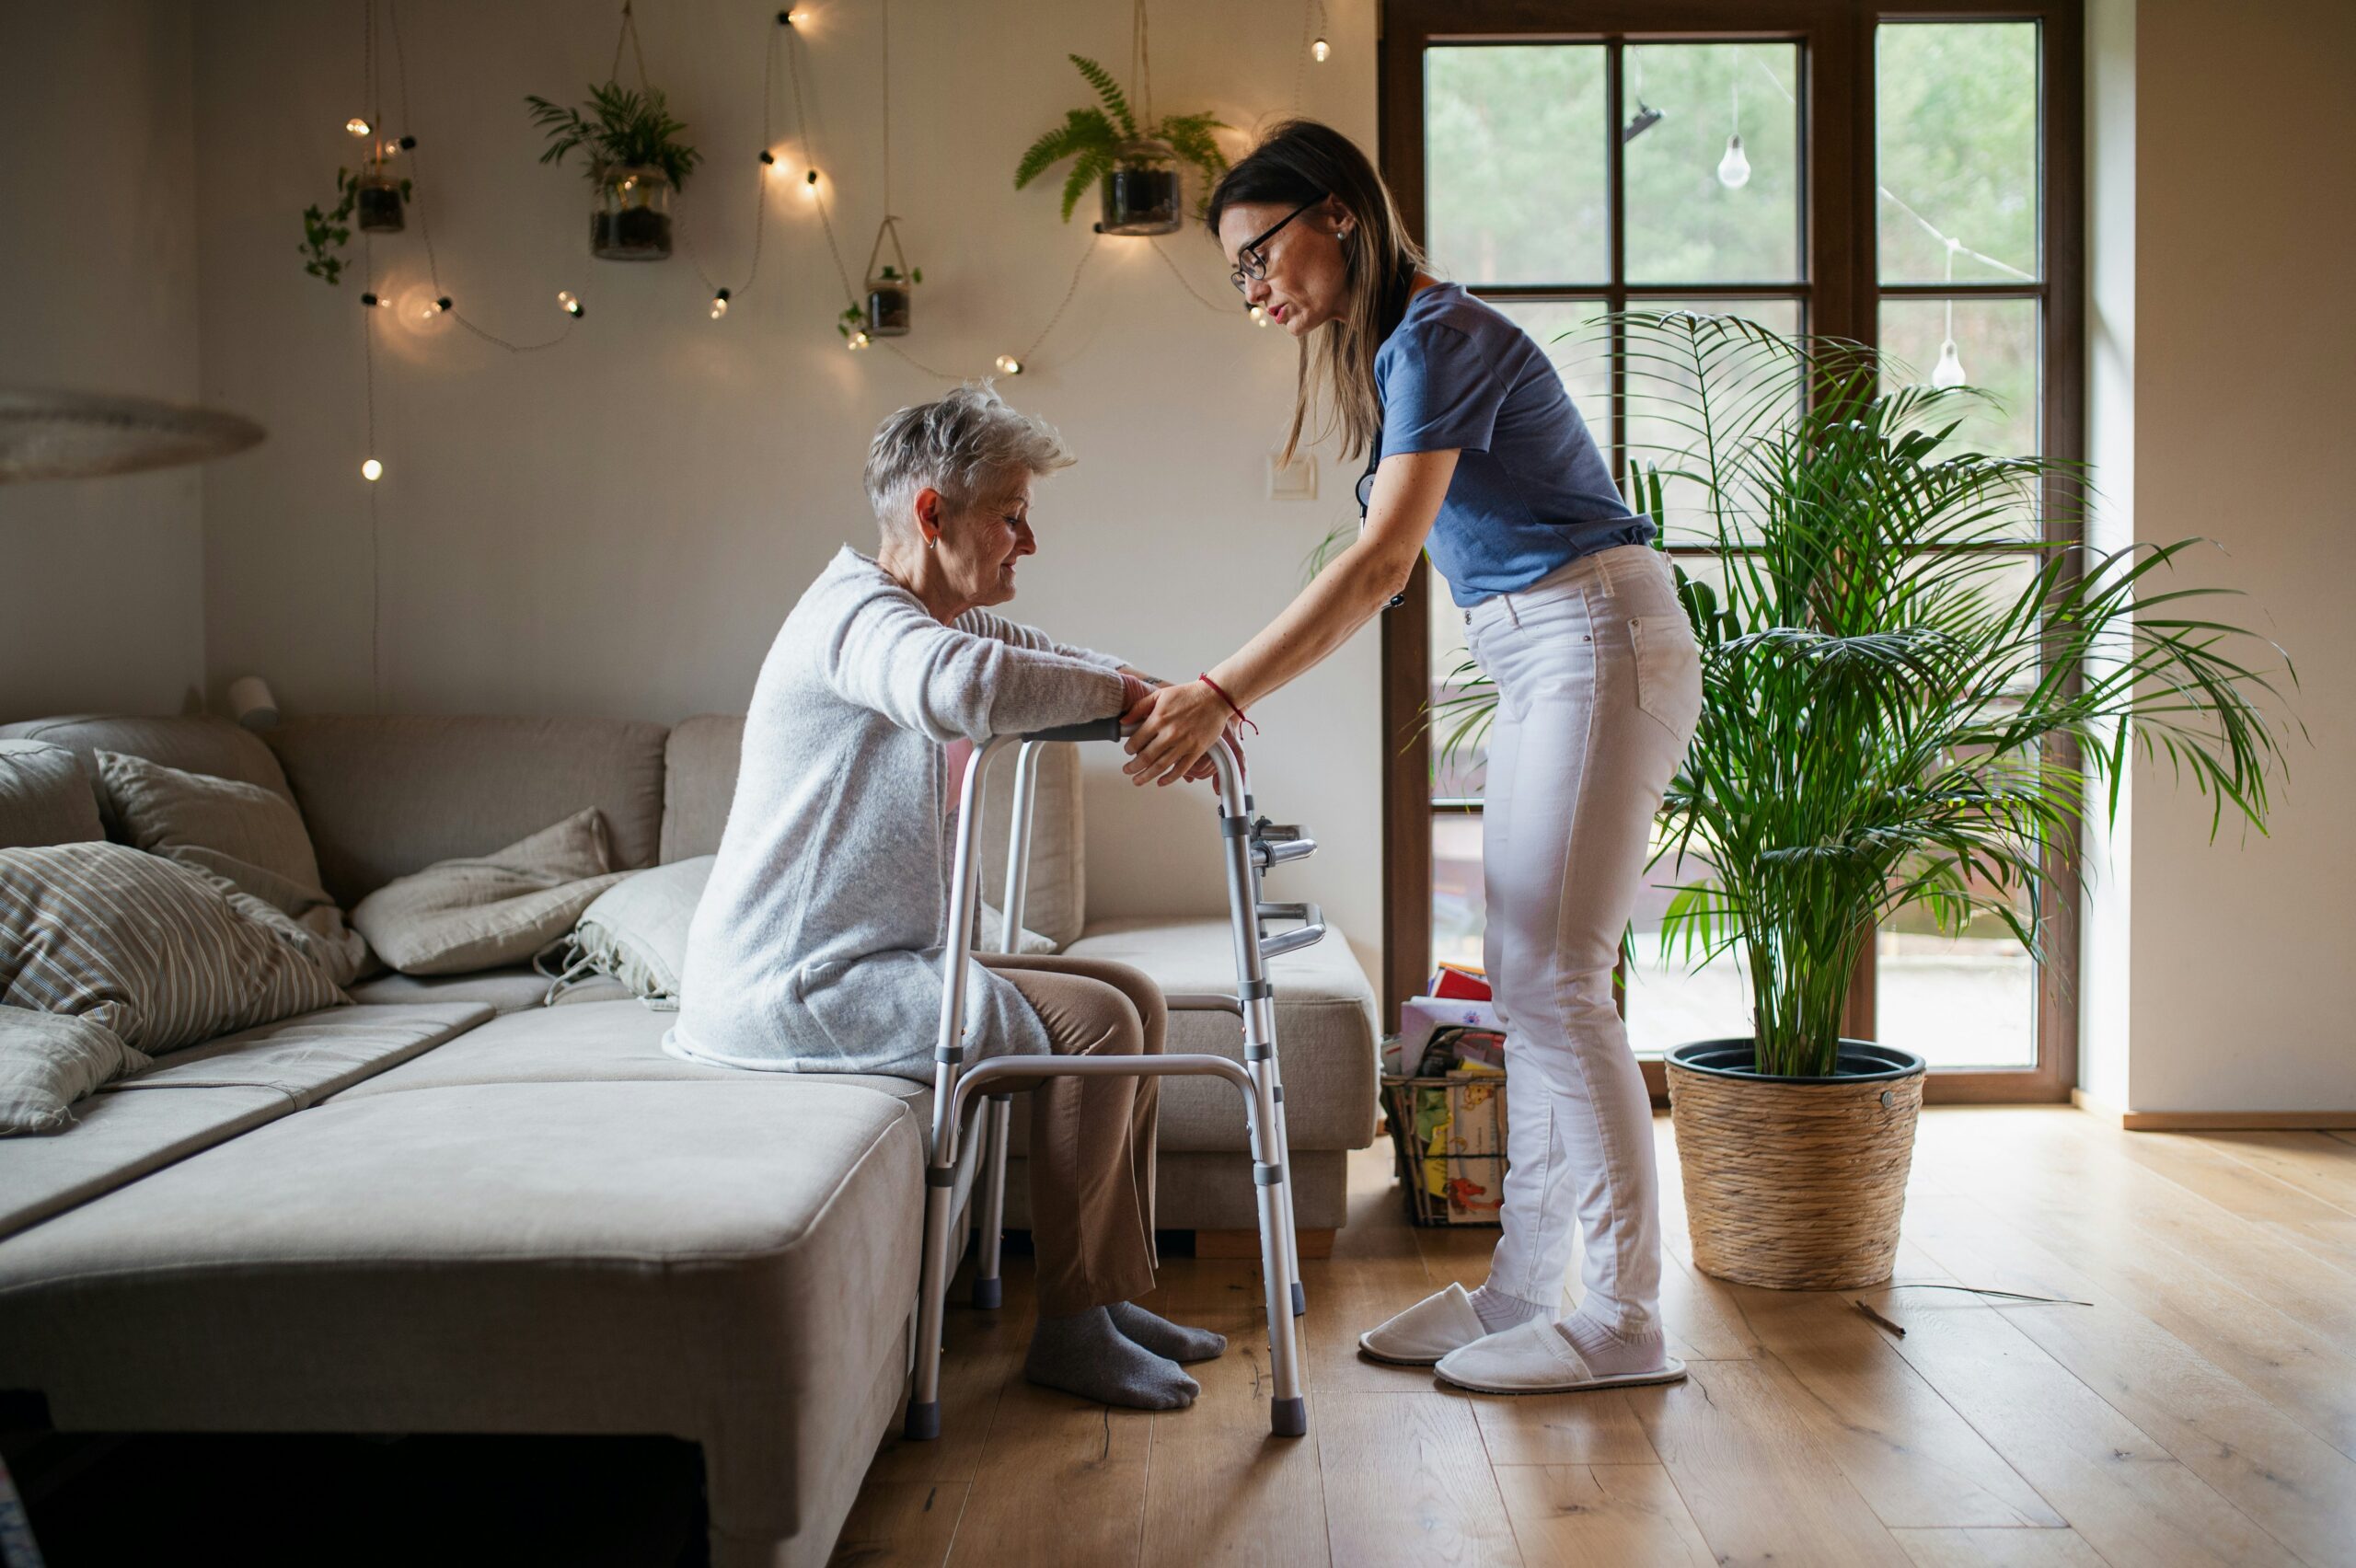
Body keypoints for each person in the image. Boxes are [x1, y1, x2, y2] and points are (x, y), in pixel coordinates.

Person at [1122, 121, 1703, 1394]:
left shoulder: (1436, 335)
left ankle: (1622, 1320)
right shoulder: (1401, 351)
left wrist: (1222, 689)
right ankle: (1516, 1295)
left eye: (1260, 254)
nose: (1256, 290)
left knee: (1557, 982)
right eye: (1236, 277)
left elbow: (1384, 566)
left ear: (1337, 213)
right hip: (1556, 649)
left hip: (1598, 638)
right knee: (1530, 977)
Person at [670, 383, 1231, 1411]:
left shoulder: (923, 613)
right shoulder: (858, 620)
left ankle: (1101, 1299)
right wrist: (1131, 701)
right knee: (1102, 1024)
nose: (1029, 538)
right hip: (800, 986)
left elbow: (1039, 659)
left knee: (1132, 998)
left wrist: (1161, 698)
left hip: (875, 962)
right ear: (932, 515)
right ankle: (1068, 1331)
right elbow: (961, 689)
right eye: (1009, 512)